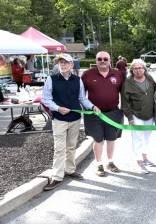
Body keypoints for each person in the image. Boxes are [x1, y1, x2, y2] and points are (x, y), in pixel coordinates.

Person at [42, 53, 100, 191]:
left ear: (71, 65)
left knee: (71, 146)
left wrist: (92, 106)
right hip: (59, 119)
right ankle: (56, 176)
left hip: (75, 118)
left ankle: (70, 170)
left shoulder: (77, 80)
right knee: (59, 149)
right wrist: (57, 108)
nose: (63, 65)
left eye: (66, 62)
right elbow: (46, 99)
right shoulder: (51, 79)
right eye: (60, 62)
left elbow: (82, 98)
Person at [81, 51, 124, 177]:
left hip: (113, 112)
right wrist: (86, 108)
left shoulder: (118, 74)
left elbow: (125, 93)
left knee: (111, 139)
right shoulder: (87, 75)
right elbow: (81, 95)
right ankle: (99, 164)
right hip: (94, 114)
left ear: (110, 60)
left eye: (105, 58)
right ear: (96, 61)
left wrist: (124, 110)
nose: (102, 61)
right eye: (99, 59)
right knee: (98, 139)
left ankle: (110, 162)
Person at [121, 59, 156, 174]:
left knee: (146, 137)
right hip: (136, 115)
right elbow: (125, 102)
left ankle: (145, 157)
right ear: (132, 70)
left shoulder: (150, 79)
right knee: (137, 138)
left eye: (140, 67)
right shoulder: (128, 82)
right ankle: (138, 161)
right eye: (135, 68)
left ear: (144, 68)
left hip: (149, 114)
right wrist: (130, 117)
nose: (138, 70)